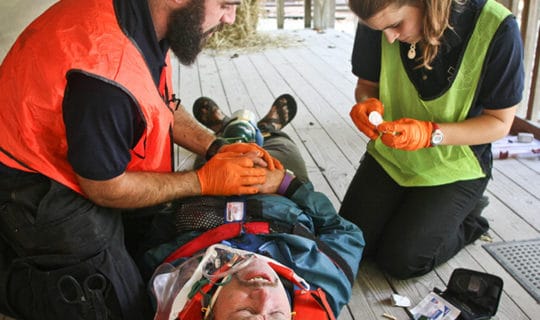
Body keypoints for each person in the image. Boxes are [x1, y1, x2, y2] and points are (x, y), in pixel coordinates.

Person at [0, 0, 284, 319]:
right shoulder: (105, 69)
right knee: (118, 307)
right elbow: (104, 188)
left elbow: (161, 105)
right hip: (34, 181)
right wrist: (201, 181)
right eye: (225, 4)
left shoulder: (148, 19)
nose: (231, 18)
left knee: (148, 248)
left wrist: (216, 147)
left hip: (85, 161)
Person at [340, 0, 524, 279]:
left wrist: (429, 134)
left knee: (401, 261)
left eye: (395, 25)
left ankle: (470, 219)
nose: (388, 37)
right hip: (392, 155)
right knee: (349, 245)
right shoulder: (377, 20)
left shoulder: (498, 27)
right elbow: (367, 87)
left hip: (455, 162)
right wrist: (366, 104)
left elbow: (499, 123)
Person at [142, 96, 364, 319]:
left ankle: (226, 127)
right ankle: (269, 128)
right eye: (277, 315)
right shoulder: (326, 283)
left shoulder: (169, 288)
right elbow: (346, 233)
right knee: (281, 146)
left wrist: (196, 186)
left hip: (210, 193)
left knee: (224, 146)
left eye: (245, 312)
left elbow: (153, 233)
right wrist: (287, 184)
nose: (264, 294)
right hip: (281, 193)